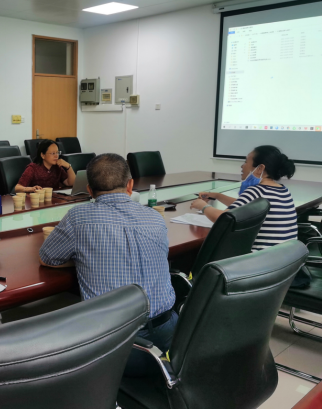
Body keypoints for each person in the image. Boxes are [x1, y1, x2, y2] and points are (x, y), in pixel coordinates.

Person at [39, 153, 176, 376]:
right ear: (130, 185)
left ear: (89, 190)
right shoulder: (154, 217)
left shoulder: (78, 217)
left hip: (116, 341)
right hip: (169, 335)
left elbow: (47, 257)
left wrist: (84, 257)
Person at [192, 145, 297, 251]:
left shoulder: (256, 191)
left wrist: (202, 206)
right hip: (285, 257)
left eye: (246, 162)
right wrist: (217, 196)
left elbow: (223, 219)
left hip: (262, 258)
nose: (242, 166)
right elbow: (245, 207)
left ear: (260, 168)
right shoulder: (283, 190)